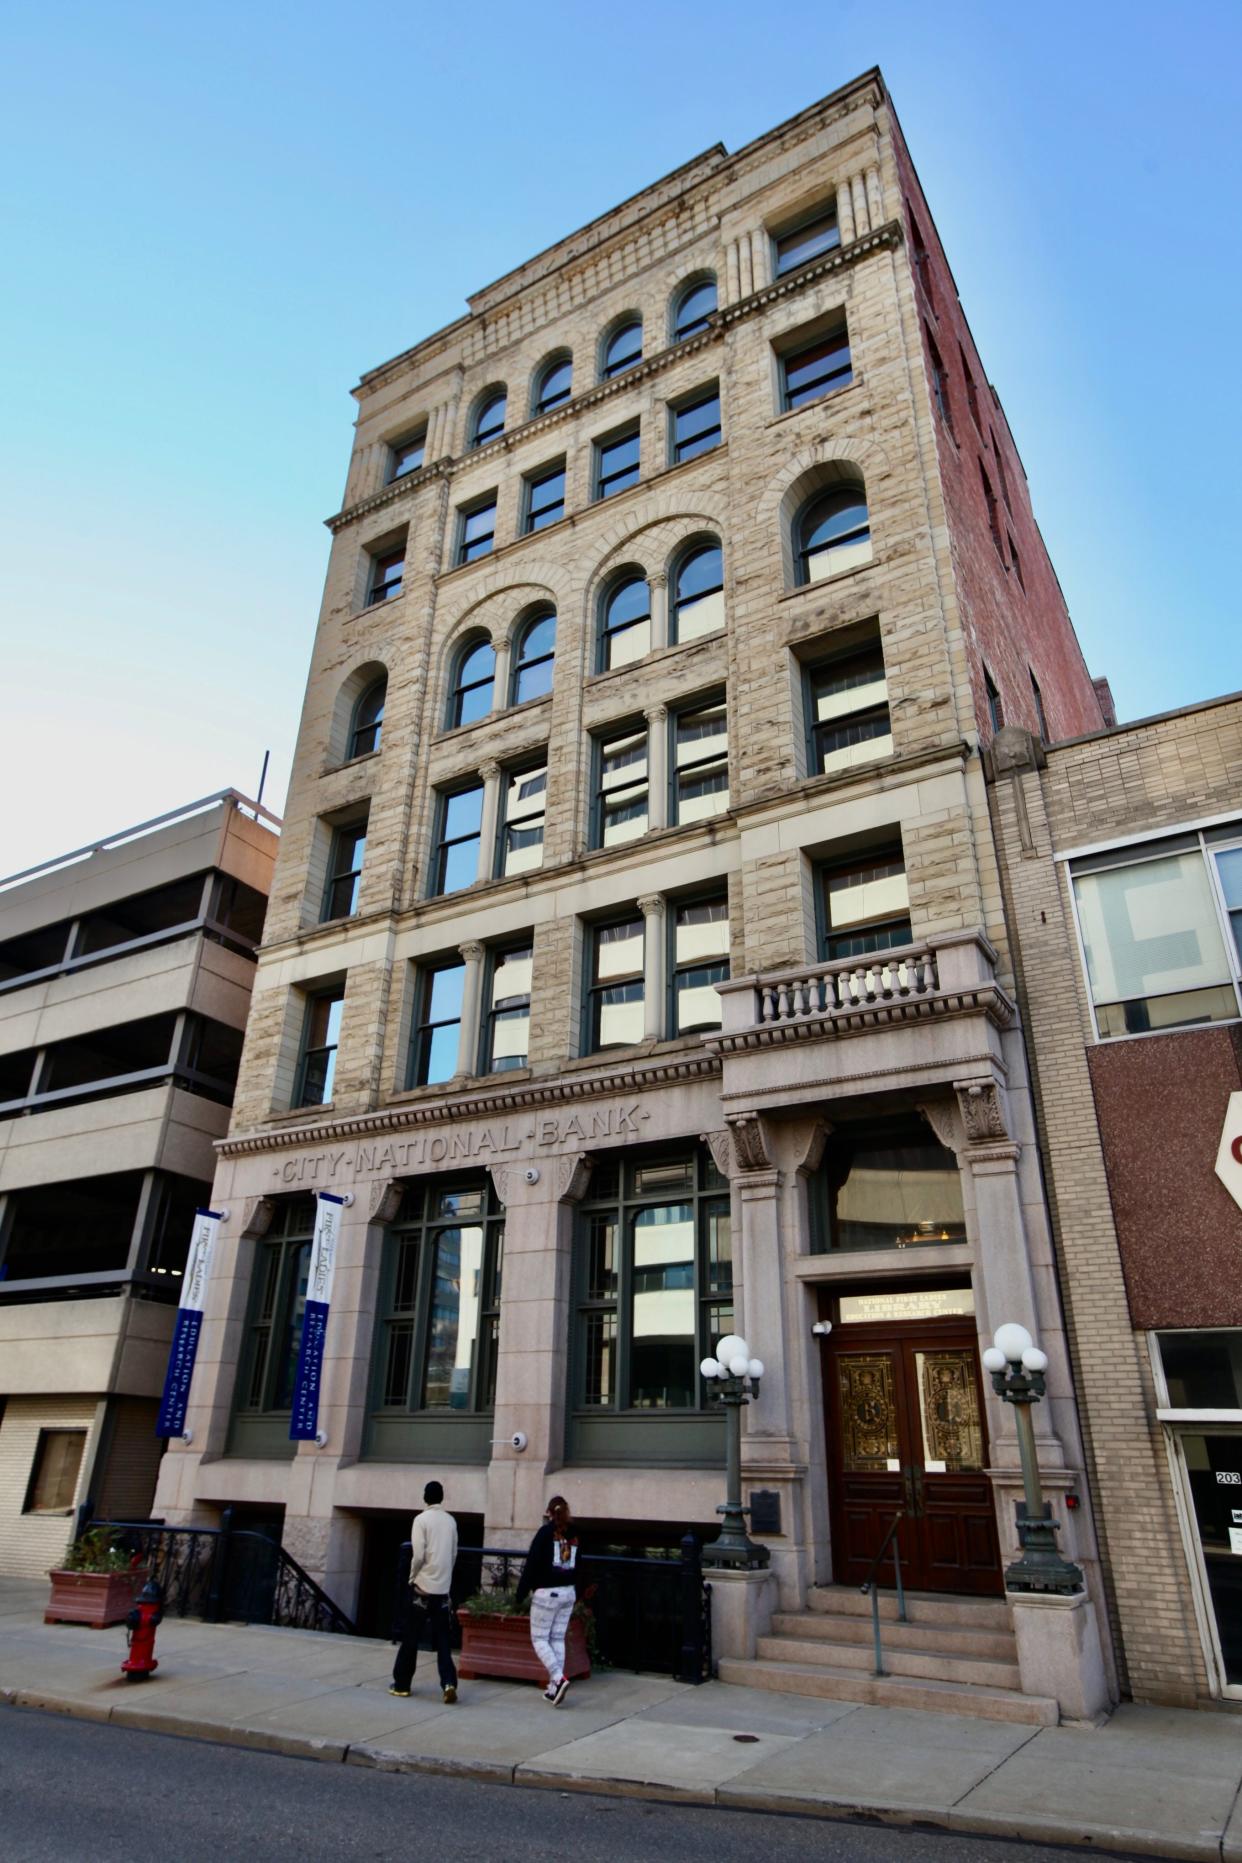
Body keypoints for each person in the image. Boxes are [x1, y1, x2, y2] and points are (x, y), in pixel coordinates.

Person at [390, 1480, 459, 1703]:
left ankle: (402, 1684)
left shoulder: (420, 1520)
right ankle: (448, 1683)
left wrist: (412, 1576)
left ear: (425, 1497)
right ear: (441, 1497)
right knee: (443, 1641)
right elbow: (453, 1553)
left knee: (411, 1638)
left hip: (423, 1589)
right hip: (442, 1590)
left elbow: (418, 1554)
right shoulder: (450, 1522)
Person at [516, 1495, 579, 1705]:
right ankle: (554, 1688)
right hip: (568, 1592)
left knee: (540, 1639)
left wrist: (521, 1592)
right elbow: (581, 1563)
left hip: (547, 1593)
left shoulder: (544, 1533)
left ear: (549, 1513)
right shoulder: (575, 1534)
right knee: (557, 1638)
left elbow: (532, 1564)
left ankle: (558, 1679)